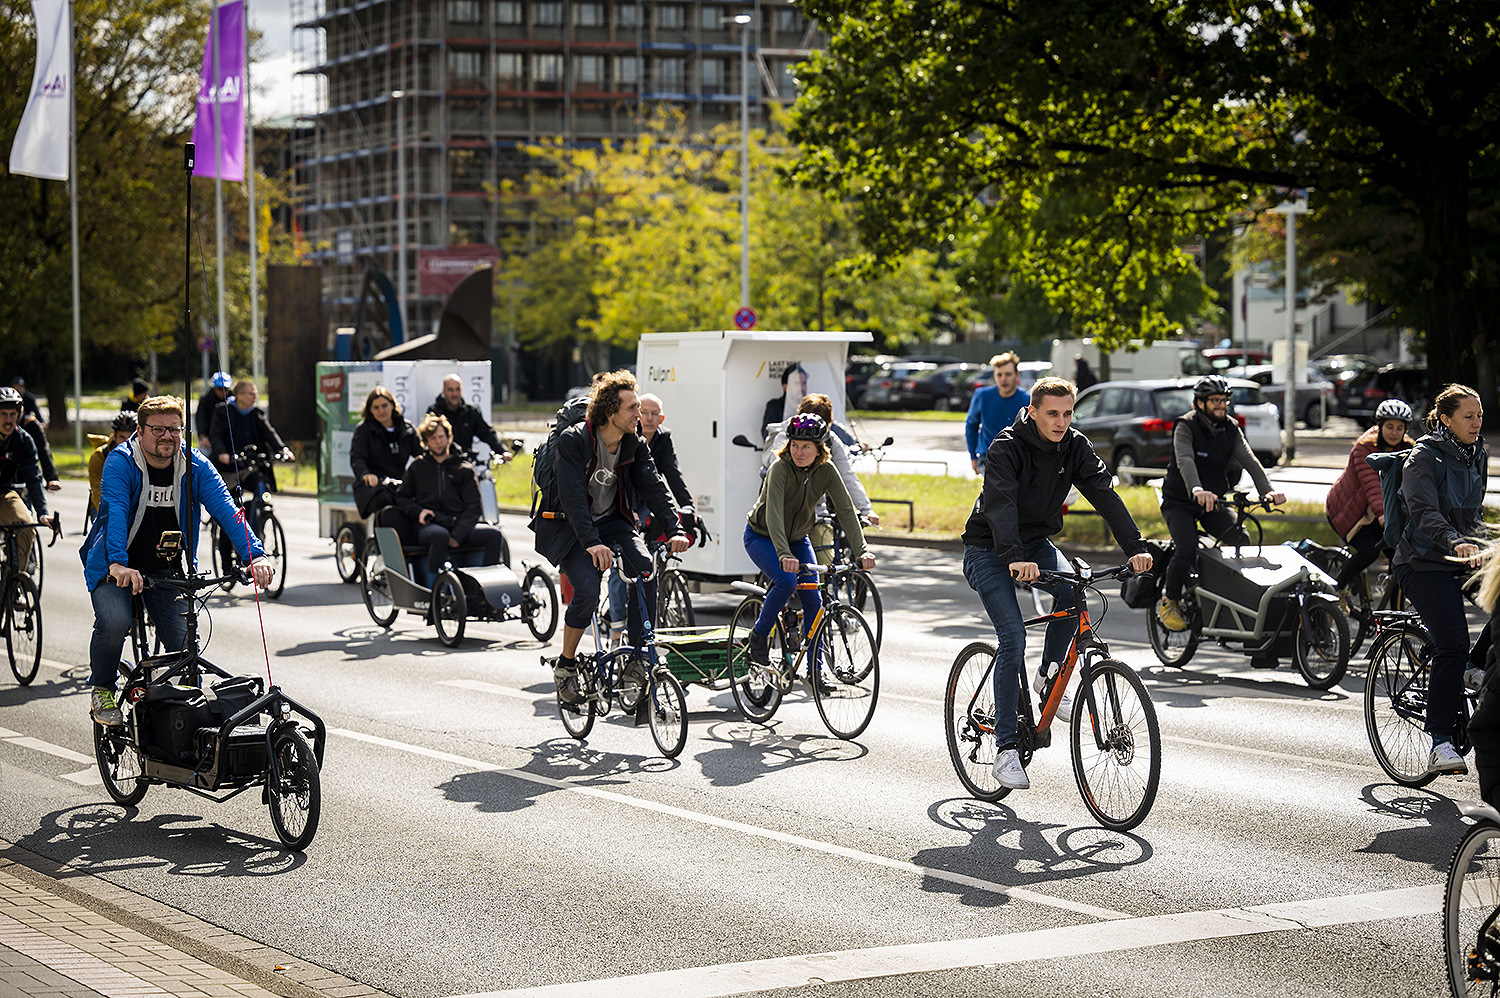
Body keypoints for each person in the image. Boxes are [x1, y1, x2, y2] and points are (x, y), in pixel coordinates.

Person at [962, 376, 1154, 790]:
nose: (1061, 421)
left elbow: (1105, 495)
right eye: (1052, 413)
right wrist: (1015, 558)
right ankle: (1006, 751)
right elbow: (1000, 505)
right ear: (1032, 412)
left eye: (1067, 413)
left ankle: (1048, 677)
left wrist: (1135, 547)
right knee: (1013, 638)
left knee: (1073, 592)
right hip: (988, 549)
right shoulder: (1006, 447)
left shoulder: (1075, 446)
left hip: (1035, 543)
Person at [81, 395, 272, 726]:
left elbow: (227, 510)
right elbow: (113, 514)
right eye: (158, 429)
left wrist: (254, 554)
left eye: (175, 429)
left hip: (165, 568)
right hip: (115, 565)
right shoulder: (120, 462)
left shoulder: (194, 464)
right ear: (139, 432)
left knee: (186, 646)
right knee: (114, 622)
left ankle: (184, 721)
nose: (167, 436)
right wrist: (117, 564)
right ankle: (102, 689)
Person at [529, 370, 691, 704]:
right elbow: (573, 498)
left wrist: (674, 526)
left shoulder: (635, 443)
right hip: (571, 527)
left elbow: (655, 486)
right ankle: (567, 664)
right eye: (632, 408)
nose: (640, 414)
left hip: (613, 522)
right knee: (587, 590)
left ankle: (634, 658)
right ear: (610, 413)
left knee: (645, 570)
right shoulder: (574, 440)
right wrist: (590, 542)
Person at [1391, 384, 1487, 776]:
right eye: (1469, 416)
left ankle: (1473, 667)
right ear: (1445, 419)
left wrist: (1484, 540)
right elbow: (1423, 511)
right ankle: (1440, 742)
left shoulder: (1475, 454)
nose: (1477, 423)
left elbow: (1473, 512)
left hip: (1460, 557)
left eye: (1480, 415)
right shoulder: (1423, 457)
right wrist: (1454, 541)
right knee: (1452, 642)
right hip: (1422, 563)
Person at [741, 413, 876, 681]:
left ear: (819, 449)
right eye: (794, 445)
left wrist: (862, 550)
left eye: (806, 447)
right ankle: (758, 637)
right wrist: (783, 553)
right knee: (787, 581)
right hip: (762, 537)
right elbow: (774, 515)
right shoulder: (780, 468)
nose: (798, 452)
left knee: (814, 600)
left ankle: (816, 671)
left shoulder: (826, 471)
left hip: (798, 539)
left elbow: (846, 510)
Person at [1155, 375, 1286, 635]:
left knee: (1241, 538)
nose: (1221, 405)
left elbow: (1250, 461)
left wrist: (1268, 492)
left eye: (1224, 400)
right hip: (1179, 501)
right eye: (1215, 400)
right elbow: (1185, 461)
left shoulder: (1230, 427)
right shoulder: (1186, 425)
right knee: (1186, 547)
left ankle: (1228, 596)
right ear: (1200, 403)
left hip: (1213, 501)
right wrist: (1196, 489)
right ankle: (1168, 601)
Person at [604, 391, 695, 643]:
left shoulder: (663, 439)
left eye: (655, 414)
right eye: (645, 412)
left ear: (661, 417)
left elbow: (671, 475)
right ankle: (616, 626)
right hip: (623, 502)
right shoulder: (626, 436)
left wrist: (688, 508)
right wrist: (627, 511)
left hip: (648, 501)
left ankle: (645, 625)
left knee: (651, 560)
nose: (650, 418)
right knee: (621, 564)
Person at [764, 393, 880, 562]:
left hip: (816, 514)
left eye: (820, 425)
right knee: (786, 572)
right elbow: (780, 474)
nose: (813, 430)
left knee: (824, 561)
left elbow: (847, 476)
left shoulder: (831, 442)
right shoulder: (787, 438)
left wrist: (866, 509)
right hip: (785, 515)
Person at [394, 413, 507, 586]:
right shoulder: (418, 467)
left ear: (448, 437)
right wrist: (419, 511)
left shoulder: (464, 468)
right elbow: (402, 498)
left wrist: (457, 535)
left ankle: (486, 586)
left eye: (441, 437)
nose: (438, 441)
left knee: (495, 535)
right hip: (431, 526)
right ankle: (434, 592)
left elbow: (474, 507)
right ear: (425, 442)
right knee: (440, 535)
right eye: (432, 438)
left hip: (459, 525)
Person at [1324, 398, 1415, 608]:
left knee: (1399, 557)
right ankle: (1339, 588)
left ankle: (1395, 615)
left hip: (1377, 514)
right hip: (1348, 512)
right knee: (1369, 551)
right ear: (1379, 426)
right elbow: (1373, 486)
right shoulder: (1363, 450)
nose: (1394, 432)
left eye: (1399, 428)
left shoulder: (1408, 449)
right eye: (1389, 426)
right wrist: (1384, 515)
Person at [0, 387, 56, 576]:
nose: (8, 420)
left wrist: (42, 513)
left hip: (4, 493)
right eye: (3, 415)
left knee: (26, 528)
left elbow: (34, 478)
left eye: (13, 415)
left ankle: (13, 580)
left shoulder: (23, 440)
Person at [349, 386, 420, 518]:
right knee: (385, 502)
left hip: (399, 483)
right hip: (374, 487)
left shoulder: (407, 429)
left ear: (392, 405)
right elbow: (357, 458)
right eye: (376, 407)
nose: (381, 411)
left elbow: (421, 455)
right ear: (370, 410)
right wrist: (366, 474)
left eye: (384, 405)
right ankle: (383, 538)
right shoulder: (364, 430)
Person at [965, 352, 1031, 474]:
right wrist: (973, 455)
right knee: (997, 491)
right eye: (999, 375)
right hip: (988, 458)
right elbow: (971, 425)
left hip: (1018, 459)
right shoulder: (982, 396)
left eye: (1008, 374)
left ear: (1017, 374)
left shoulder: (1027, 399)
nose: (1003, 379)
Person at [427, 374, 512, 466]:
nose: (454, 394)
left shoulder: (470, 412)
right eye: (450, 390)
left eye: (457, 389)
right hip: (441, 465)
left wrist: (502, 451)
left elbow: (487, 433)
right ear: (444, 391)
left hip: (465, 465)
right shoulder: (434, 413)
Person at [88, 411, 137, 519]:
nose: (126, 443)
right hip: (104, 505)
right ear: (114, 435)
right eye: (122, 437)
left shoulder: (145, 455)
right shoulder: (99, 457)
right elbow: (98, 493)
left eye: (131, 438)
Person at [761, 363, 809, 440]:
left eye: (804, 383)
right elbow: (768, 435)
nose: (801, 388)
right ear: (785, 387)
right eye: (797, 383)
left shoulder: (811, 407)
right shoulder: (774, 407)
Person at [195, 371, 232, 452]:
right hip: (208, 438)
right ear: (214, 388)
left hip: (227, 438)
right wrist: (202, 437)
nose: (223, 392)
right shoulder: (205, 400)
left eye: (226, 389)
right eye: (220, 389)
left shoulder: (233, 400)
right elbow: (200, 419)